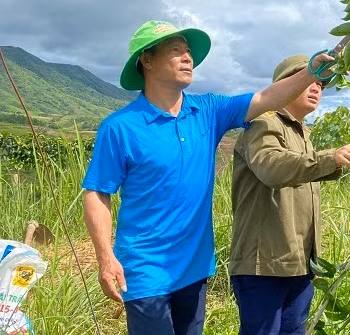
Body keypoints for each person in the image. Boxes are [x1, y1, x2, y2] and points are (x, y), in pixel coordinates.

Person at [81, 21, 335, 335]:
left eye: (188, 51)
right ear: (146, 60)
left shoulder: (207, 111)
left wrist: (311, 73)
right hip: (145, 270)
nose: (188, 58)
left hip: (195, 267)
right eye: (176, 51)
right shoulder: (120, 127)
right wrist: (105, 258)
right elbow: (97, 193)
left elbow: (267, 98)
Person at [228, 54, 350, 335]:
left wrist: (312, 259)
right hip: (263, 266)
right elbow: (272, 167)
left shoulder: (303, 133)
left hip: (298, 266)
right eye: (308, 79)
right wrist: (330, 158)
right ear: (285, 85)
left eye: (320, 82)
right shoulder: (264, 122)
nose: (316, 86)